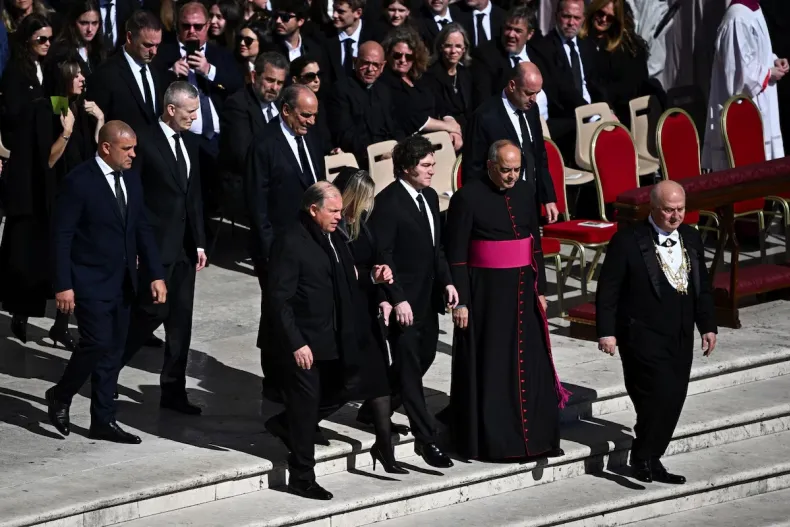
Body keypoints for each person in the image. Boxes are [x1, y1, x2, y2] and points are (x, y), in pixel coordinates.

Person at [267, 181, 398, 500]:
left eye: (340, 210)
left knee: (348, 386)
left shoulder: (334, 237)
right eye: (334, 211)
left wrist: (373, 278)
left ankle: (285, 423)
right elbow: (278, 299)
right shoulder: (291, 241)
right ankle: (302, 476)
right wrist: (296, 343)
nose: (341, 216)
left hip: (334, 337)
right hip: (304, 341)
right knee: (305, 403)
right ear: (313, 210)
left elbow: (346, 277)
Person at [444, 139, 567, 460]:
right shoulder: (467, 197)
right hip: (486, 297)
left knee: (531, 363)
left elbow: (534, 243)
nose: (512, 176)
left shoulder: (525, 191)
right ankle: (498, 442)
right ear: (490, 166)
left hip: (523, 292)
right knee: (494, 366)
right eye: (505, 170)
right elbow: (456, 254)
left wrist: (541, 290)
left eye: (517, 170)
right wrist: (461, 302)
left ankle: (537, 440)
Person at [45, 121, 167, 445]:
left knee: (113, 351)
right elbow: (61, 236)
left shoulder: (131, 179)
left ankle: (103, 420)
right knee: (97, 342)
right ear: (106, 148)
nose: (133, 154)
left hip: (123, 281)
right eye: (127, 149)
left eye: (134, 148)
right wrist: (63, 284)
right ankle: (61, 394)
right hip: (88, 280)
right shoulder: (79, 182)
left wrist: (155, 273)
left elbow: (141, 228)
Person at [596, 180, 718, 484]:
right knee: (656, 396)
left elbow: (702, 286)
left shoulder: (691, 237)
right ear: (652, 208)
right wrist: (606, 332)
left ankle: (652, 458)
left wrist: (707, 326)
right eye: (668, 210)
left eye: (680, 209)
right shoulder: (627, 240)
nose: (675, 216)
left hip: (680, 333)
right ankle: (642, 457)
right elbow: (608, 289)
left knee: (675, 398)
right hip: (642, 334)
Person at [369, 135, 458, 468]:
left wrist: (447, 281)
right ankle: (426, 438)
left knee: (425, 355)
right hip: (403, 303)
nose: (432, 170)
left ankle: (376, 405)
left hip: (427, 298)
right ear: (406, 167)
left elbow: (437, 248)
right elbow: (383, 256)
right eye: (425, 165)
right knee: (409, 371)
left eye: (433, 164)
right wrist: (396, 298)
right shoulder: (388, 203)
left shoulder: (430, 196)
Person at [121, 82, 207, 415]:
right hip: (155, 248)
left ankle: (173, 391)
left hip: (184, 249)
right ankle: (107, 368)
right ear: (171, 109)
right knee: (148, 314)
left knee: (181, 323)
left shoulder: (190, 142)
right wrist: (135, 246)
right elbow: (133, 198)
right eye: (190, 111)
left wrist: (199, 242)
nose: (195, 117)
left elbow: (193, 196)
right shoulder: (144, 141)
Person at [244, 84, 328, 397]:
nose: (311, 121)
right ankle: (274, 379)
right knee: (277, 310)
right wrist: (269, 253)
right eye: (305, 115)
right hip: (277, 247)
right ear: (286, 111)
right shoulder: (264, 144)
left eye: (314, 115)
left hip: (309, 241)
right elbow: (257, 204)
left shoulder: (311, 137)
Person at [463, 62, 558, 222]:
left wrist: (548, 197)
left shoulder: (531, 109)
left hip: (530, 198)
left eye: (537, 93)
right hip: (500, 203)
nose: (534, 99)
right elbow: (473, 168)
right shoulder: (485, 116)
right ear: (512, 85)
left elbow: (539, 155)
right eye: (529, 93)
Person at [702, 0, 787, 171]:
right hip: (744, 110)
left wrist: (773, 60)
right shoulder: (737, 18)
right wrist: (768, 73)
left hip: (762, 104)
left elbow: (753, 53)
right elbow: (737, 75)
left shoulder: (753, 9)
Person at [154, 1, 244, 143]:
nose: (192, 31)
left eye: (197, 26)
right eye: (186, 26)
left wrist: (210, 71)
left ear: (207, 25)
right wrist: (171, 73)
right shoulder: (163, 54)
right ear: (178, 26)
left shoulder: (221, 54)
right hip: (182, 136)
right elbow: (152, 90)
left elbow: (237, 86)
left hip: (219, 137)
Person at [530, 0, 608, 161]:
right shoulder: (543, 48)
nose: (571, 22)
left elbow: (596, 84)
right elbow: (562, 90)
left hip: (593, 114)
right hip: (567, 117)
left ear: (583, 19)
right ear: (556, 16)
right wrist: (592, 115)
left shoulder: (587, 45)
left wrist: (607, 110)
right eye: (566, 16)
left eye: (576, 18)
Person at [579, 0, 664, 129]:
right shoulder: (583, 41)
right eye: (600, 13)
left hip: (621, 116)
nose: (603, 19)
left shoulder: (620, 49)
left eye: (609, 17)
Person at [380, 26, 463, 149]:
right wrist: (449, 127)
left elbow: (442, 105)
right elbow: (413, 117)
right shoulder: (386, 82)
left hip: (438, 140)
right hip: (410, 145)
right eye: (397, 55)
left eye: (409, 57)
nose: (403, 60)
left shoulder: (421, 78)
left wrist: (454, 129)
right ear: (388, 55)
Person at [87, 10, 164, 134]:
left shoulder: (156, 69)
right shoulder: (106, 74)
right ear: (129, 37)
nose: (154, 52)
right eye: (148, 45)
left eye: (157, 45)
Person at [327, 41, 405, 162]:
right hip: (362, 159)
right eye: (365, 63)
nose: (370, 69)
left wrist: (398, 148)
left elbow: (396, 127)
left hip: (390, 155)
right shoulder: (341, 90)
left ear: (383, 66)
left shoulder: (384, 91)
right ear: (355, 62)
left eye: (376, 65)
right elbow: (344, 135)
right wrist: (376, 154)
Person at [220, 51, 288, 178]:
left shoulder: (282, 104)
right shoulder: (236, 105)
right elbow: (243, 155)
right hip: (248, 182)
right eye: (270, 80)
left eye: (280, 83)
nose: (274, 88)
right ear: (254, 76)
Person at [470, 5, 547, 111]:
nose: (511, 35)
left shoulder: (539, 55)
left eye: (518, 31)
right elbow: (484, 102)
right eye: (508, 28)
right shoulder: (485, 55)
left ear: (530, 34)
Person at [0, 13, 51, 131]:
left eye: (50, 39)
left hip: (48, 130)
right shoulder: (15, 70)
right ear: (28, 38)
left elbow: (58, 93)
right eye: (42, 39)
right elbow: (13, 110)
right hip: (25, 133)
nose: (48, 43)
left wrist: (62, 114)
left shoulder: (49, 65)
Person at [423, 23, 474, 131]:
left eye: (458, 46)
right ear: (440, 47)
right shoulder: (429, 75)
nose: (453, 51)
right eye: (448, 46)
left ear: (464, 49)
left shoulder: (466, 73)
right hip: (444, 130)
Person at [50, 1, 107, 79]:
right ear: (73, 22)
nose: (90, 29)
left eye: (94, 23)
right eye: (84, 23)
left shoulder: (98, 50)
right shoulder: (61, 52)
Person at [326, 0, 380, 82]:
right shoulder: (324, 35)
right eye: (334, 9)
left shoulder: (375, 35)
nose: (334, 15)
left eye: (341, 11)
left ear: (358, 13)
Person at [290, 54, 332, 148]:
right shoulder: (288, 106)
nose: (317, 80)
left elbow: (325, 138)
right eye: (310, 76)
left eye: (319, 75)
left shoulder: (321, 104)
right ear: (295, 80)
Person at [235, 19, 270, 84]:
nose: (242, 43)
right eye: (240, 38)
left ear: (261, 42)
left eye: (248, 40)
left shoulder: (270, 67)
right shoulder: (234, 65)